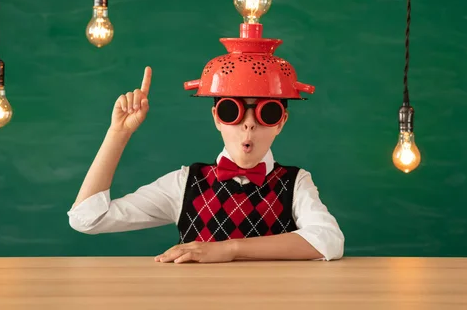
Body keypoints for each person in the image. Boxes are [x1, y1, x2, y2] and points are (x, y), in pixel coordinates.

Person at [67, 66, 345, 264]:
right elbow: (87, 219)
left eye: (266, 112)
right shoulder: (184, 184)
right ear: (217, 118)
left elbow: (330, 240)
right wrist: (119, 133)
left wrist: (229, 250)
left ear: (281, 122)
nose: (248, 123)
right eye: (232, 110)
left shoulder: (294, 183)